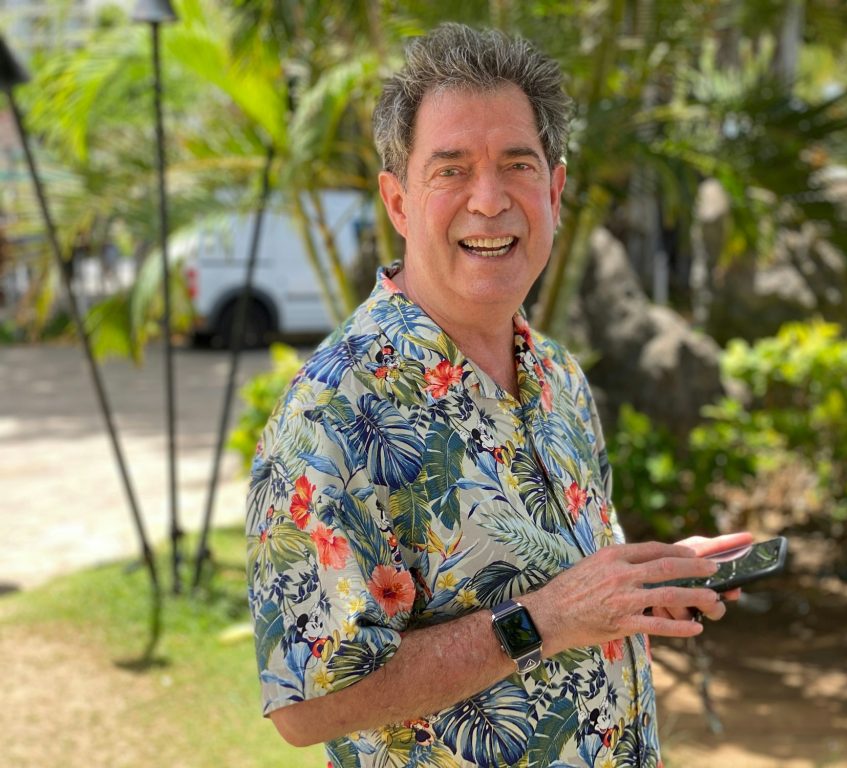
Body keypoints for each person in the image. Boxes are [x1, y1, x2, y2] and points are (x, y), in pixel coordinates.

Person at [245, 23, 752, 768]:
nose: (489, 200)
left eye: (517, 164)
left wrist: (640, 588)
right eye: (450, 170)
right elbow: (307, 702)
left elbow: (574, 591)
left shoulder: (559, 377)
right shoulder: (335, 405)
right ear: (399, 202)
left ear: (554, 189)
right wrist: (541, 621)